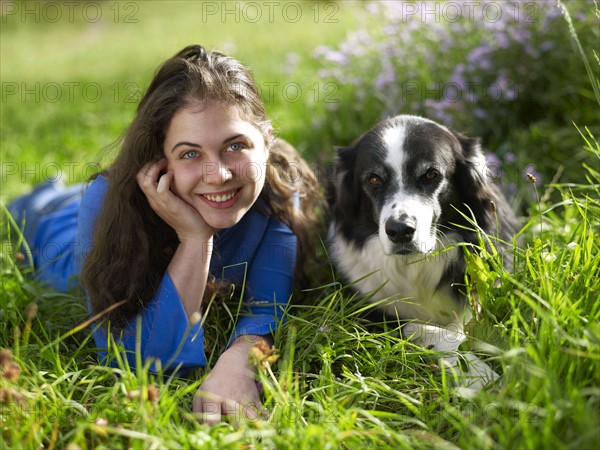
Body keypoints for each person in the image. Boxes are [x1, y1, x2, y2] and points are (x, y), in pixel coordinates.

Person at [7, 44, 323, 422]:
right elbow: (136, 360)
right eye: (190, 153)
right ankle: (46, 194)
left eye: (235, 146)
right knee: (38, 211)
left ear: (266, 140)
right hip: (60, 232)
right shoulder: (108, 203)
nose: (218, 175)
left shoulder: (277, 190)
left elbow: (268, 304)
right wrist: (195, 238)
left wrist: (240, 357)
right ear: (160, 159)